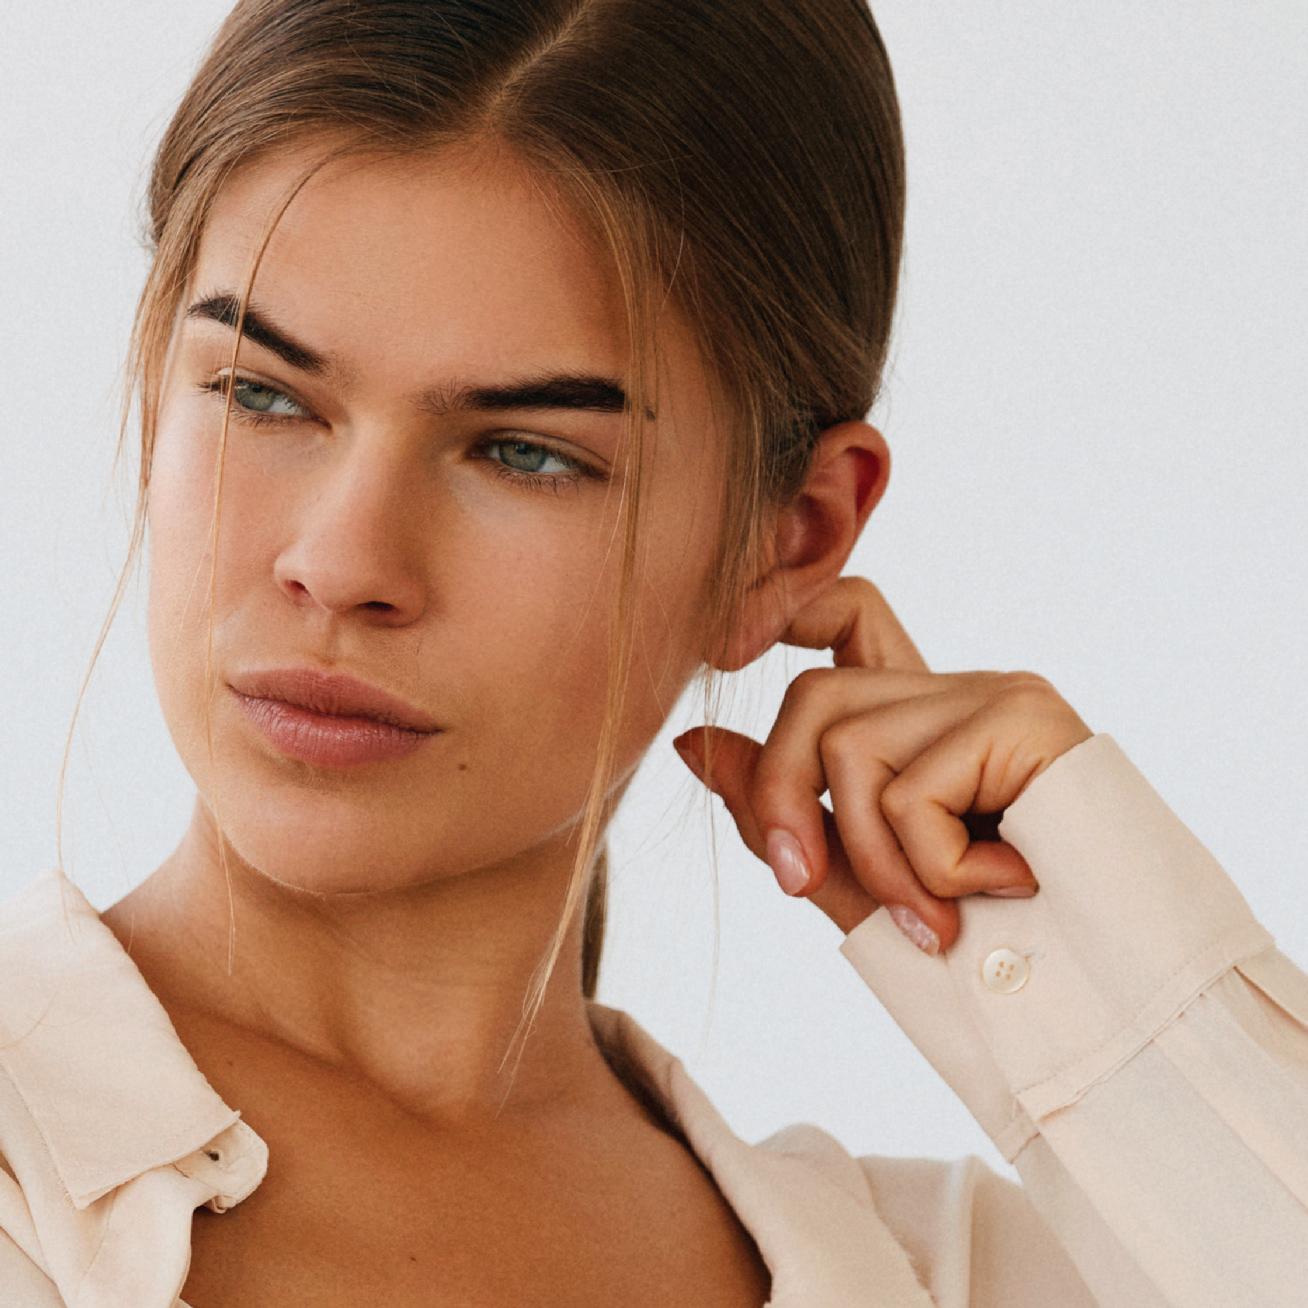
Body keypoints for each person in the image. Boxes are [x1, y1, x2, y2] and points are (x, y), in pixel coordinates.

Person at [1, 2, 1305, 1305]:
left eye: (525, 453)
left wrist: (1083, 979)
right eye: (260, 392)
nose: (340, 564)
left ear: (786, 540)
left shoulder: (960, 1278)